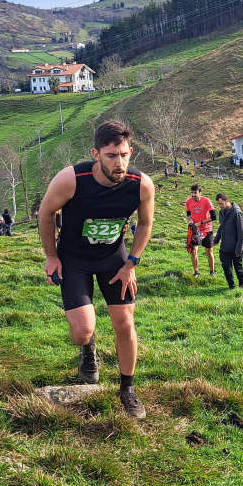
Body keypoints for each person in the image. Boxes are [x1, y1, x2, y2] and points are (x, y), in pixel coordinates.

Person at [37, 120, 155, 420]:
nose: (120, 163)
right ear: (96, 154)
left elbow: (145, 223)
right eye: (112, 156)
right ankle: (87, 349)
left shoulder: (141, 185)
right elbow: (46, 213)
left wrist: (132, 263)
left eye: (125, 155)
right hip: (74, 258)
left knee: (125, 322)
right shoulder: (71, 180)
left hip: (113, 258)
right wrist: (51, 257)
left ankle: (127, 389)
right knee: (81, 331)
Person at [213, 192, 243, 289]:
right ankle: (231, 287)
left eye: (221, 204)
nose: (220, 206)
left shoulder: (237, 213)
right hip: (225, 246)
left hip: (236, 247)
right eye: (218, 204)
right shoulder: (221, 212)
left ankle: (241, 285)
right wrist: (216, 240)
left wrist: (239, 249)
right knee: (226, 268)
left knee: (238, 268)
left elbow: (242, 232)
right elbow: (221, 227)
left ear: (227, 201)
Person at [184, 183, 216, 277]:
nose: (193, 195)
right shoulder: (188, 202)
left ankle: (212, 271)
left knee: (209, 251)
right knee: (193, 250)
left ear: (200, 193)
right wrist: (191, 221)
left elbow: (213, 217)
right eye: (192, 193)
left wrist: (201, 222)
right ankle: (196, 272)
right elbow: (188, 214)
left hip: (207, 229)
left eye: (195, 193)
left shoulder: (207, 201)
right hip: (194, 230)